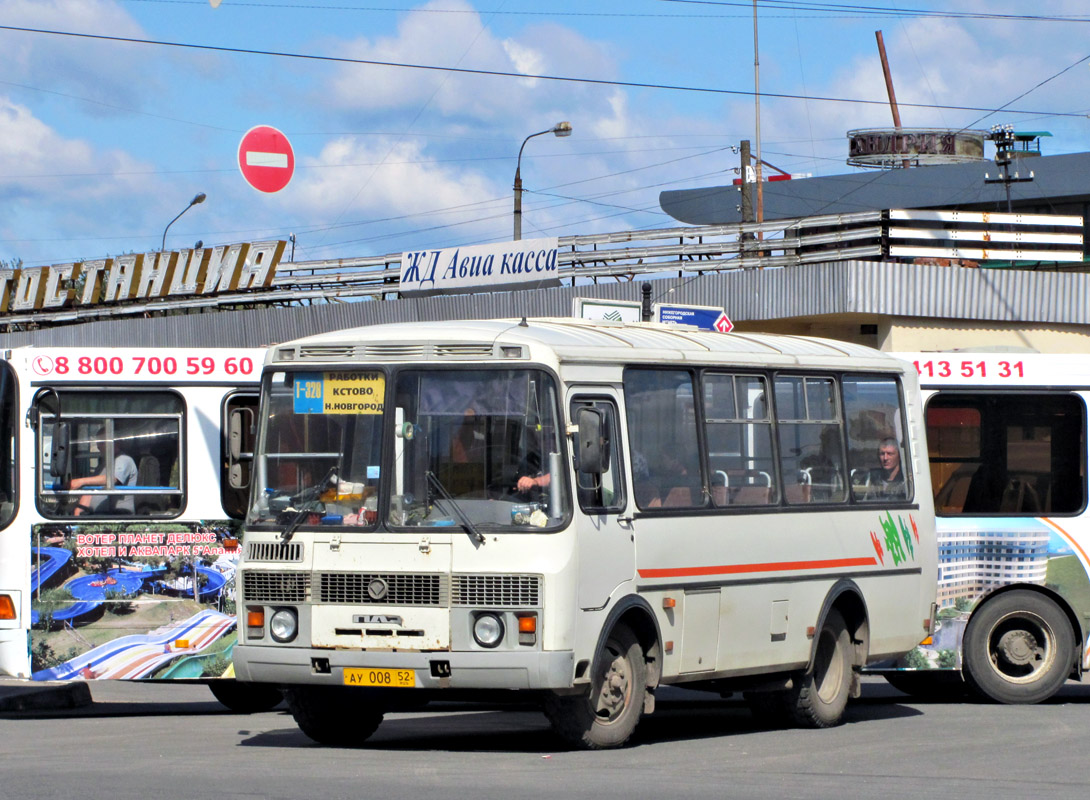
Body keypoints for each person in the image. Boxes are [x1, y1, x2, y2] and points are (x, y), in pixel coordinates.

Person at [70, 427, 137, 515]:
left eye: (102, 442)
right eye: (98, 442)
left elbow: (113, 479)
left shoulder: (124, 459)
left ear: (115, 442)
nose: (98, 446)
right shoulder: (102, 465)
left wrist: (80, 481)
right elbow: (90, 491)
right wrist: (78, 512)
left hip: (118, 516)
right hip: (98, 515)